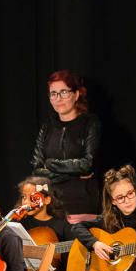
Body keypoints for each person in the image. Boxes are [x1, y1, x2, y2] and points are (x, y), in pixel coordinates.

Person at [31, 70, 102, 222]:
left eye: (64, 92)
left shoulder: (90, 124)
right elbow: (37, 169)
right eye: (53, 93)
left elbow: (87, 164)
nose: (58, 99)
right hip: (51, 205)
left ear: (76, 95)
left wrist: (50, 164)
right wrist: (71, 174)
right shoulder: (47, 126)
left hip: (82, 204)